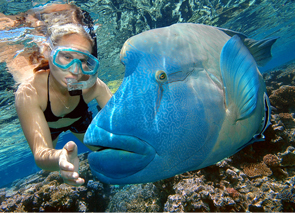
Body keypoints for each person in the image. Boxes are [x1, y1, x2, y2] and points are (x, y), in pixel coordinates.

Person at [15, 4, 112, 186]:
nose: (75, 71)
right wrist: (60, 157)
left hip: (78, 118)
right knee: (48, 166)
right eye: (66, 57)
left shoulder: (93, 86)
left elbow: (123, 119)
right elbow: (41, 154)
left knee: (104, 150)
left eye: (83, 60)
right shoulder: (30, 92)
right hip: (50, 126)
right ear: (48, 52)